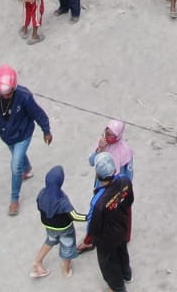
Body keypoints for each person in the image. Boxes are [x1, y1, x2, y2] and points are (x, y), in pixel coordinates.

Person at [0, 65, 53, 216]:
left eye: (9, 93)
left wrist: (46, 130)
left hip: (24, 134)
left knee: (15, 165)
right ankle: (27, 170)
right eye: (3, 93)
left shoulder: (24, 96)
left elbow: (37, 113)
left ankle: (14, 199)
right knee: (18, 155)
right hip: (6, 136)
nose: (6, 96)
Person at [87, 153, 134, 292]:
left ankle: (117, 287)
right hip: (122, 226)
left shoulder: (98, 201)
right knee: (122, 251)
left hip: (107, 238)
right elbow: (129, 201)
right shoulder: (125, 181)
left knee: (108, 263)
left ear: (98, 174)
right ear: (114, 169)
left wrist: (93, 238)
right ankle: (127, 274)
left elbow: (93, 226)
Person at [32, 166, 85, 279]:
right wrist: (89, 217)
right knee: (67, 247)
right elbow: (75, 216)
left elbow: (38, 204)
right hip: (65, 229)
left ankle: (37, 262)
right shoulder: (62, 202)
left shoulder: (42, 193)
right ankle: (66, 269)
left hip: (49, 227)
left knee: (50, 241)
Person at [88, 119, 134, 184]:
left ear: (118, 136)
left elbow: (129, 174)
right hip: (101, 184)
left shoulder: (125, 150)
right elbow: (91, 162)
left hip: (117, 186)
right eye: (107, 133)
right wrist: (99, 149)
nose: (107, 137)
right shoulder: (102, 143)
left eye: (111, 135)